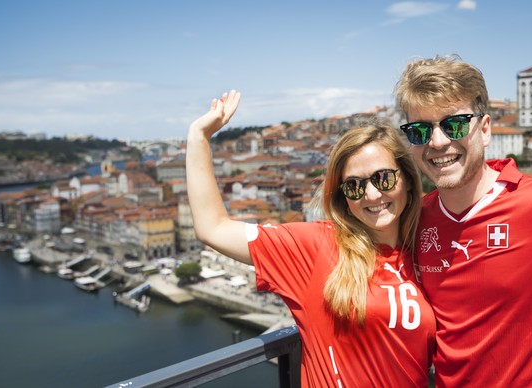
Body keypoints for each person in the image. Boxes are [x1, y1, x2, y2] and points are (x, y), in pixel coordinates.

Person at [186, 90, 436, 387]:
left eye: (384, 178)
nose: (372, 194)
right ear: (345, 197)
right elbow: (212, 228)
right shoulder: (318, 246)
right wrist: (198, 137)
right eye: (354, 186)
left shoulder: (428, 248)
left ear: (407, 180)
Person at [394, 54, 532, 386]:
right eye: (420, 131)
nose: (437, 142)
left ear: (485, 128)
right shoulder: (417, 219)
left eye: (455, 124)